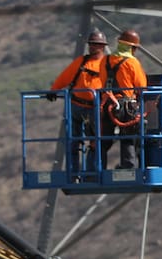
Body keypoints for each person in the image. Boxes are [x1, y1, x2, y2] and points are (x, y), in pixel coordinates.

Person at [48, 30, 108, 173]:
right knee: (74, 141)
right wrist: (53, 90)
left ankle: (92, 172)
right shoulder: (81, 62)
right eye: (91, 44)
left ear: (103, 46)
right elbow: (64, 77)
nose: (92, 47)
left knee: (95, 141)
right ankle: (73, 171)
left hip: (95, 108)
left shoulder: (107, 65)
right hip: (76, 107)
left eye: (96, 44)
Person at [100, 29, 148, 169]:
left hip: (106, 104)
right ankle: (128, 165)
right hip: (125, 106)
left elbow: (101, 80)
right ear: (132, 48)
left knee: (103, 138)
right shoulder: (132, 63)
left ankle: (98, 167)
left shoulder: (105, 60)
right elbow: (141, 86)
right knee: (128, 136)